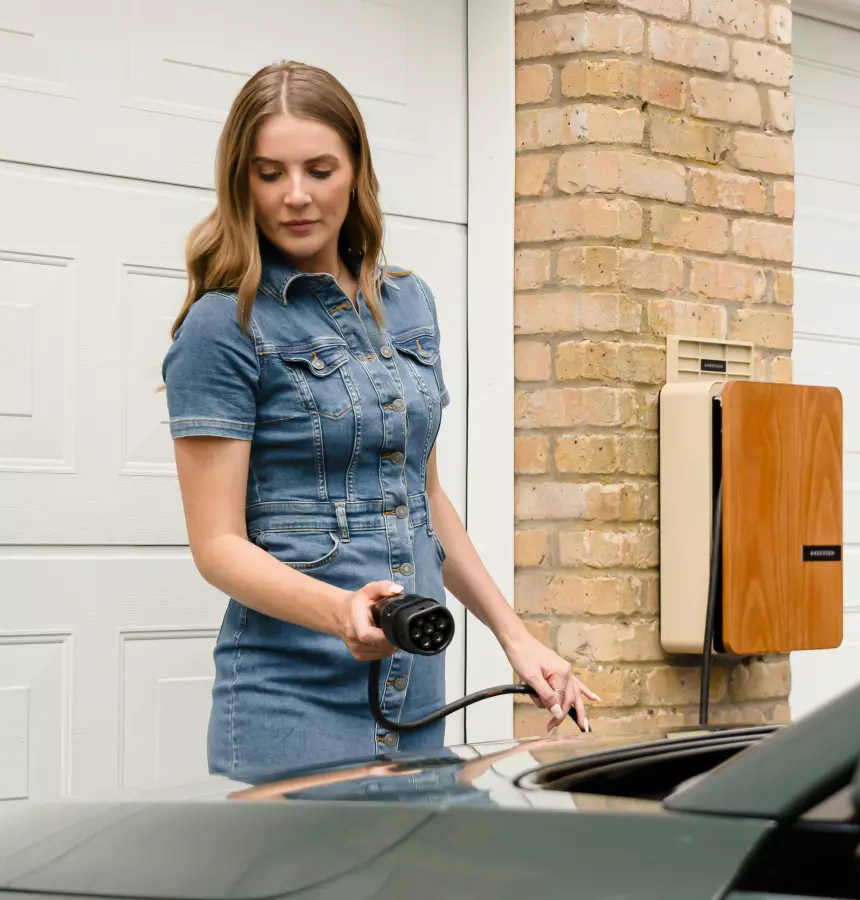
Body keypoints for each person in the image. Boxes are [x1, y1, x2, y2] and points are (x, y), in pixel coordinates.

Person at [162, 60, 596, 779]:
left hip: (415, 690)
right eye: (270, 174)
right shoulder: (224, 326)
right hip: (288, 700)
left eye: (320, 169)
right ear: (242, 181)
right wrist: (339, 612)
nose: (295, 196)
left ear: (357, 172)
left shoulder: (409, 304)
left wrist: (517, 639)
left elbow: (423, 502)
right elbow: (217, 546)